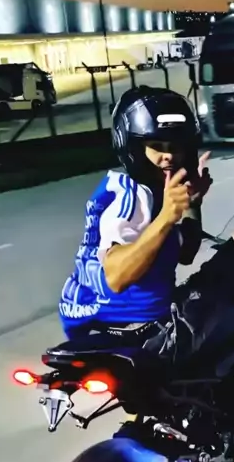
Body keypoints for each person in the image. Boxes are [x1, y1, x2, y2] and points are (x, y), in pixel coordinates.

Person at [59, 86, 212, 340]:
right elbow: (116, 277)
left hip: (142, 320)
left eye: (175, 147)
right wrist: (166, 217)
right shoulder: (130, 195)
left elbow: (186, 254)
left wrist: (192, 203)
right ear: (135, 149)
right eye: (157, 146)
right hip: (125, 324)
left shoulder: (159, 194)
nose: (168, 156)